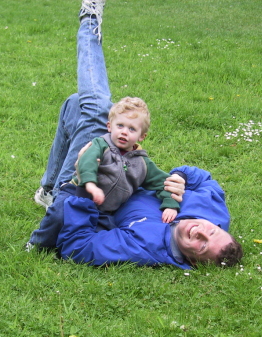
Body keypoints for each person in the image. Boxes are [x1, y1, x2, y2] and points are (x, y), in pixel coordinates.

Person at [27, 0, 243, 269]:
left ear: (193, 261)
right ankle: (48, 190)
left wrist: (83, 191)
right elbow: (206, 181)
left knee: (95, 110)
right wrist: (181, 176)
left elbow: (79, 247)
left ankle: (89, 21)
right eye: (211, 232)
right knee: (76, 103)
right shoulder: (213, 212)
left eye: (202, 245)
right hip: (123, 169)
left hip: (85, 190)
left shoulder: (147, 247)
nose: (199, 232)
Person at [73, 95, 179, 225]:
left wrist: (170, 205)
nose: (124, 132)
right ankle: (41, 239)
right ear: (109, 126)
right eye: (120, 126)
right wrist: (90, 185)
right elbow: (87, 161)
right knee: (58, 216)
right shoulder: (101, 145)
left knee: (104, 235)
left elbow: (164, 183)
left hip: (105, 211)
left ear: (142, 136)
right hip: (76, 193)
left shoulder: (142, 164)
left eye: (132, 129)